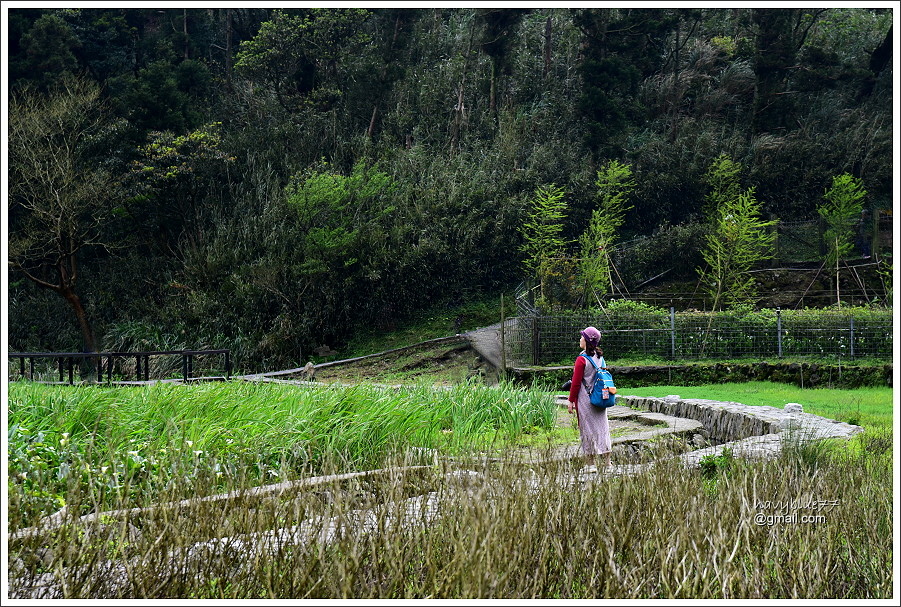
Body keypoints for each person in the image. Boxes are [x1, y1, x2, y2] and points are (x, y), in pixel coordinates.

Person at [567, 326, 612, 471]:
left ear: (586, 340)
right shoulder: (600, 358)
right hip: (600, 398)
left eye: (582, 337)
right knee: (602, 428)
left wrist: (571, 400)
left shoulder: (581, 359)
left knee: (586, 429)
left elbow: (575, 383)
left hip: (585, 399)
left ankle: (590, 463)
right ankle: (607, 463)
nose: (580, 339)